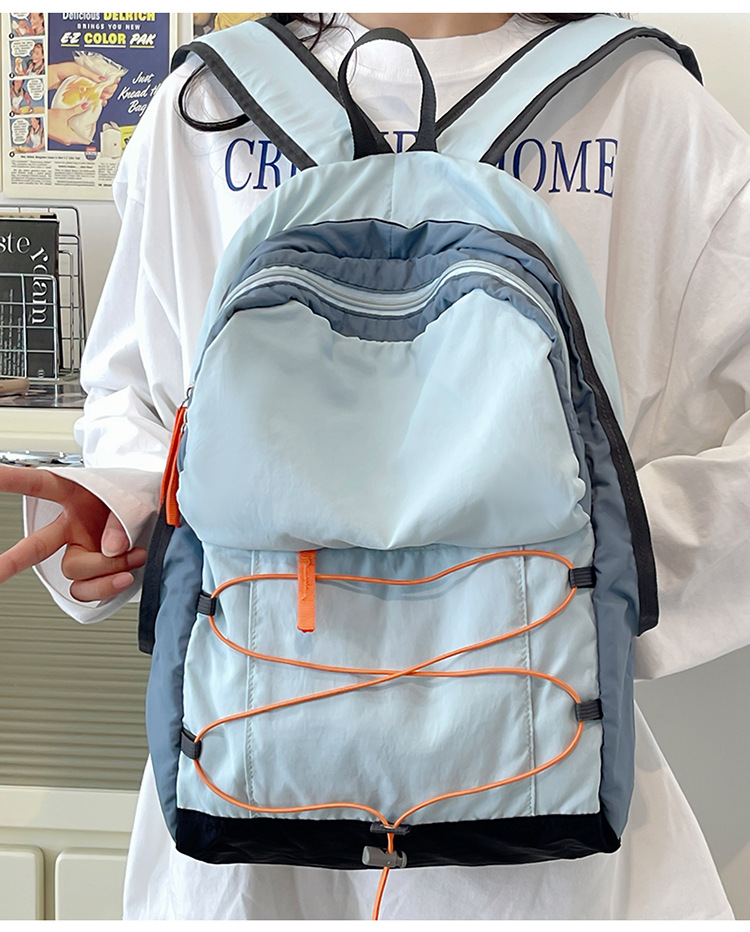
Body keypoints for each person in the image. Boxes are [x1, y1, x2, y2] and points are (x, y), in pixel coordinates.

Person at [0, 12, 748, 920]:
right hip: (327, 780)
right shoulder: (202, 103)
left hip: (513, 807)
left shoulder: (647, 104)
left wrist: (613, 568)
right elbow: (137, 401)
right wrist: (123, 507)